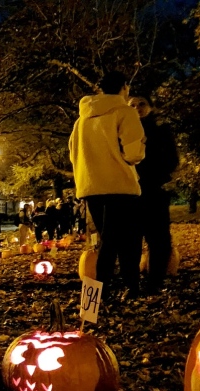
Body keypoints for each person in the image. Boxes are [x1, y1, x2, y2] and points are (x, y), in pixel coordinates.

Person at [70, 71, 145, 299]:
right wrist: (128, 157)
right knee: (127, 240)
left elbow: (74, 153)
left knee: (108, 239)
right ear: (124, 87)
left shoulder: (81, 120)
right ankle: (129, 286)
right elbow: (134, 151)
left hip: (92, 187)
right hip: (120, 185)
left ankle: (100, 291)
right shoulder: (125, 112)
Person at [129, 95, 179, 293]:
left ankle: (154, 282)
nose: (137, 108)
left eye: (142, 104)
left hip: (153, 190)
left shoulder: (161, 131)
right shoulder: (119, 131)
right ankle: (131, 282)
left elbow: (172, 160)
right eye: (132, 105)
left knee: (159, 239)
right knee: (130, 240)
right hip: (129, 192)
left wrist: (157, 175)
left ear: (150, 107)